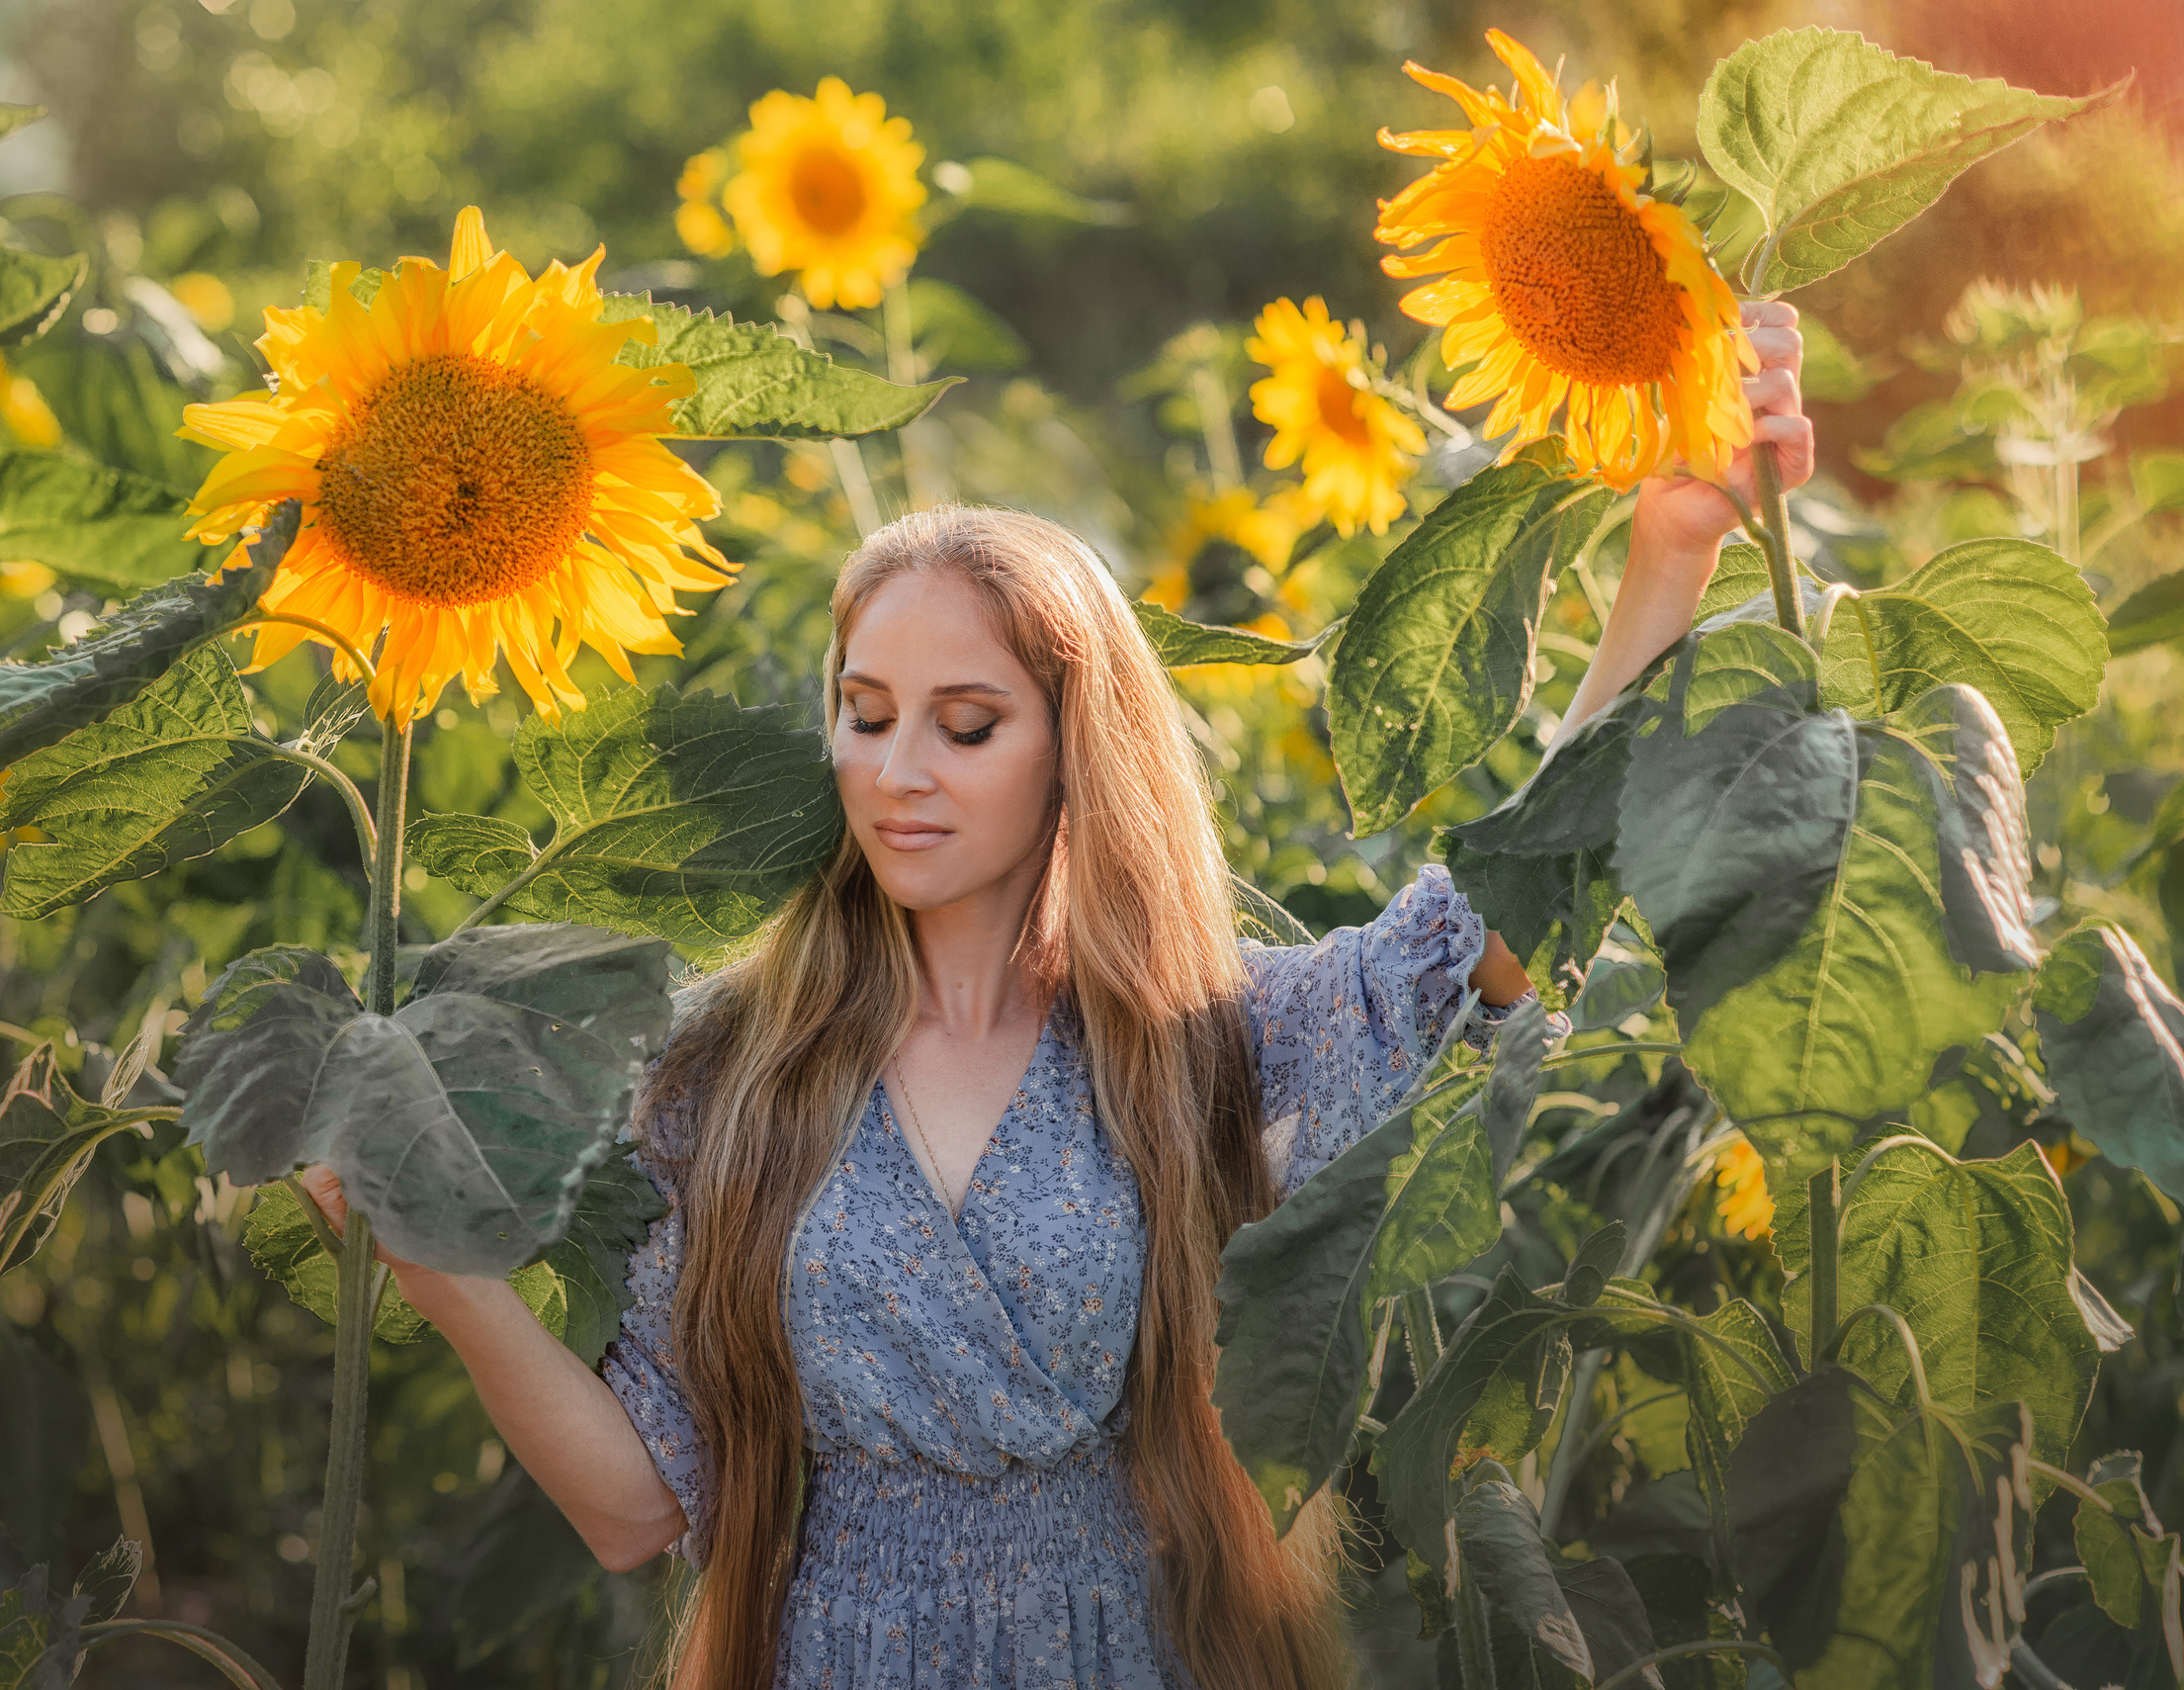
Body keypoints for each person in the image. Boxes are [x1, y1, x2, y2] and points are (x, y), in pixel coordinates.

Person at [306, 301, 1813, 1688]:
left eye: (965, 725)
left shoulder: (1194, 1044)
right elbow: (642, 1504)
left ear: (1071, 745)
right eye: (865, 715)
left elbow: (1499, 918)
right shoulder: (723, 1068)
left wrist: (1669, 553)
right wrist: (442, 1275)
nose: (897, 773)